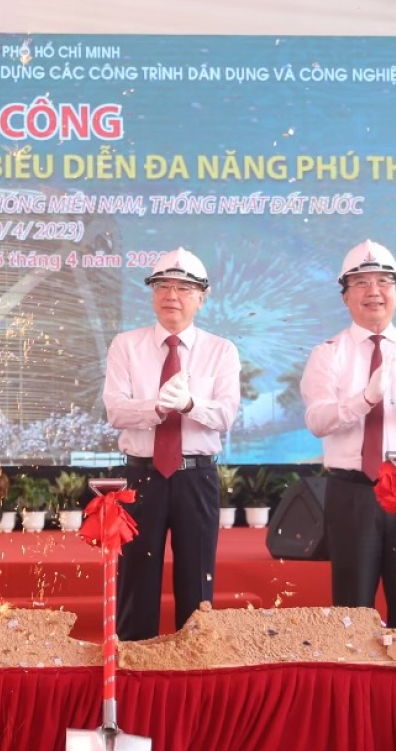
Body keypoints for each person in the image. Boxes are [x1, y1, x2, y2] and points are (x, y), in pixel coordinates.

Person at [301, 240, 396, 629]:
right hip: (352, 491)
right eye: (361, 283)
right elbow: (317, 420)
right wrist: (365, 399)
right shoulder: (328, 353)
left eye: (384, 281)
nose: (374, 291)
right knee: (352, 613)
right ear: (345, 295)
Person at [103, 248, 240, 640]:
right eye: (163, 286)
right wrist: (158, 407)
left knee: (197, 581)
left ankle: (193, 665)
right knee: (136, 578)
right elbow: (115, 410)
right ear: (152, 293)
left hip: (196, 477)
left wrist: (191, 404)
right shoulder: (126, 345)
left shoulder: (221, 350)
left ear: (202, 297)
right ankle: (134, 663)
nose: (172, 296)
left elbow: (226, 416)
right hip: (141, 476)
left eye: (184, 288)